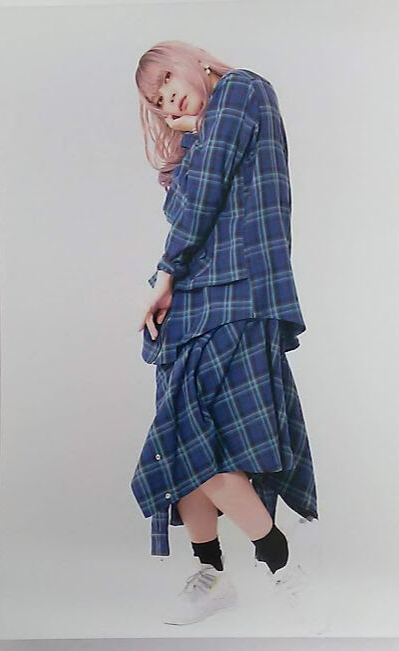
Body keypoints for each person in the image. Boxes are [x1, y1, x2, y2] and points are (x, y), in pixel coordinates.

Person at [130, 40, 319, 626]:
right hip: (194, 300)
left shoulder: (243, 89)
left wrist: (164, 274)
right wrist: (190, 136)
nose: (169, 102)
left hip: (238, 293)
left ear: (191, 60)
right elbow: (184, 206)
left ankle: (282, 565)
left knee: (201, 438)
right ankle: (211, 573)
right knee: (182, 440)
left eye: (168, 82)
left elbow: (207, 191)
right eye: (158, 102)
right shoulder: (203, 135)